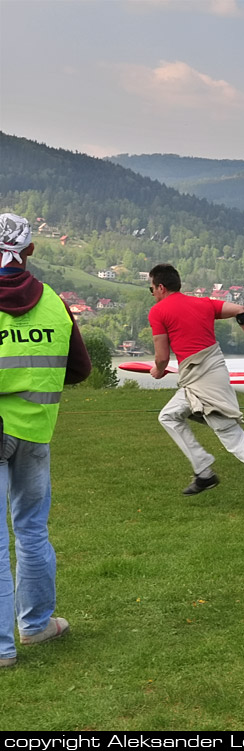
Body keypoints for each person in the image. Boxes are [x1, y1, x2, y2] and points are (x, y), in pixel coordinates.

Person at [0, 213, 91, 668]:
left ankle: (0, 648)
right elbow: (80, 370)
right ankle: (35, 626)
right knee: (31, 529)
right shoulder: (54, 302)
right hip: (35, 431)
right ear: (31, 250)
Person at [147, 264, 244, 510]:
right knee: (168, 416)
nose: (152, 294)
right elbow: (240, 311)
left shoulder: (158, 312)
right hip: (200, 378)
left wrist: (157, 370)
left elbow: (162, 358)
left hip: (204, 381)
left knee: (236, 442)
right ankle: (203, 472)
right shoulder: (203, 304)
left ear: (161, 287)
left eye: (151, 289)